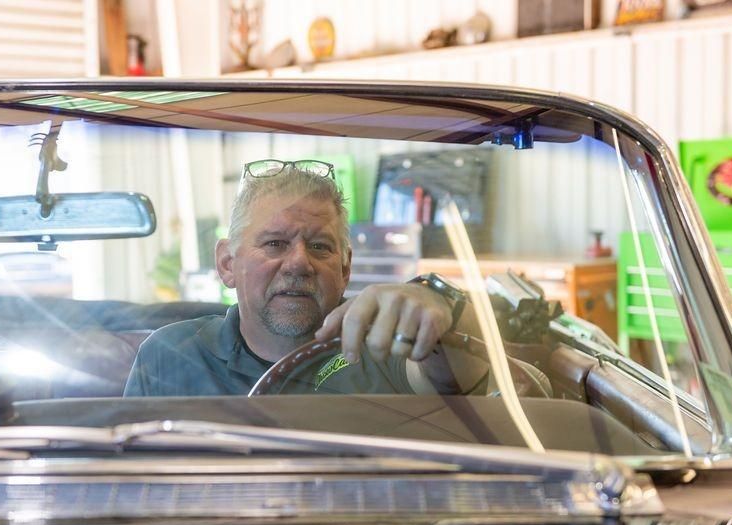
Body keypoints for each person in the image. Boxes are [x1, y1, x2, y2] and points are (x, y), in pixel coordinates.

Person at [123, 159, 477, 397]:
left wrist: (438, 311)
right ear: (228, 264)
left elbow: (459, 376)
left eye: (320, 247)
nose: (298, 263)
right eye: (275, 244)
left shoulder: (387, 348)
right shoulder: (168, 357)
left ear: (345, 269)